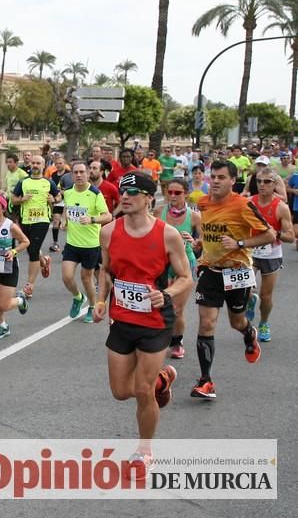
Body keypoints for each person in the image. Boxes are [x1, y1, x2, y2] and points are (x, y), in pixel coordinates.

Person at [93, 172, 192, 473]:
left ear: (149, 198)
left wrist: (166, 293)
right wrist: (100, 299)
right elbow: (105, 271)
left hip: (154, 322)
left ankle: (144, 451)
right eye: (123, 192)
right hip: (121, 319)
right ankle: (165, 378)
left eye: (133, 192)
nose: (125, 196)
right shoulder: (109, 231)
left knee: (143, 389)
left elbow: (186, 278)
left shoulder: (167, 235)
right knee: (121, 391)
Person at [191, 161, 275, 399]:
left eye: (221, 177)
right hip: (210, 270)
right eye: (213, 176)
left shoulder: (243, 205)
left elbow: (270, 234)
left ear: (232, 181)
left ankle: (249, 334)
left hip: (237, 271)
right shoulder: (204, 202)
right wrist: (200, 244)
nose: (215, 181)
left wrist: (240, 243)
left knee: (237, 322)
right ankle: (206, 381)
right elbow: (209, 233)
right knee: (206, 323)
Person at [153, 178, 202, 359]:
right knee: (160, 304)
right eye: (170, 192)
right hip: (163, 264)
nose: (172, 196)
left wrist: (194, 242)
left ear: (186, 194)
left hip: (184, 263)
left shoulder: (194, 216)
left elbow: (202, 244)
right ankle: (159, 336)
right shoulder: (159, 212)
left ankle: (176, 341)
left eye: (177, 193)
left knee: (176, 308)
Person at [245, 167, 295, 342]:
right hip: (250, 252)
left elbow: (290, 237)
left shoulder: (281, 207)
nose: (262, 185)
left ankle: (264, 323)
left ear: (274, 184)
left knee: (266, 296)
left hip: (271, 254)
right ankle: (249, 299)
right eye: (258, 181)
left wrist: (275, 233)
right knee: (244, 288)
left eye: (266, 182)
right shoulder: (249, 202)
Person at [60, 161, 112, 323]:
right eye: (76, 172)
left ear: (88, 174)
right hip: (72, 243)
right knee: (67, 277)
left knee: (86, 278)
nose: (79, 175)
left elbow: (108, 216)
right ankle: (78, 297)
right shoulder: (68, 192)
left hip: (90, 244)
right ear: (72, 175)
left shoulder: (95, 193)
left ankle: (91, 305)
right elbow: (67, 208)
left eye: (82, 172)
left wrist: (92, 219)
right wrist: (64, 220)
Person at [0, 194, 29, 339]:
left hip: (9, 267)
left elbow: (25, 241)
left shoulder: (10, 225)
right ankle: (2, 326)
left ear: (3, 209)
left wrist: (13, 251)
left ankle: (20, 301)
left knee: (4, 305)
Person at [10, 155, 58, 297]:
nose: (35, 165)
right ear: (30, 165)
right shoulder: (23, 182)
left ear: (44, 165)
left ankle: (29, 286)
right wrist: (22, 199)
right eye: (34, 163)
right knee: (30, 246)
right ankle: (44, 261)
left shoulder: (48, 182)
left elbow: (58, 196)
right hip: (26, 220)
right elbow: (13, 199)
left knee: (33, 250)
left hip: (42, 220)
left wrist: (53, 199)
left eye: (38, 163)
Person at [44, 153, 71, 252]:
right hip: (58, 201)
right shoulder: (53, 175)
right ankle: (55, 243)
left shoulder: (69, 174)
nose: (59, 165)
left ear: (64, 163)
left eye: (60, 163)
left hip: (68, 202)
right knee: (56, 220)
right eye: (57, 164)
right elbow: (53, 188)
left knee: (68, 225)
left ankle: (70, 245)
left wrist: (62, 191)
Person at [3, 154, 28, 223]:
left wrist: (21, 198)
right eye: (7, 162)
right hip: (8, 201)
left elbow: (27, 187)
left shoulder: (22, 174)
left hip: (17, 202)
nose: (8, 164)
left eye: (10, 162)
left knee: (16, 223)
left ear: (16, 163)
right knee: (9, 222)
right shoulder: (8, 173)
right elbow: (7, 187)